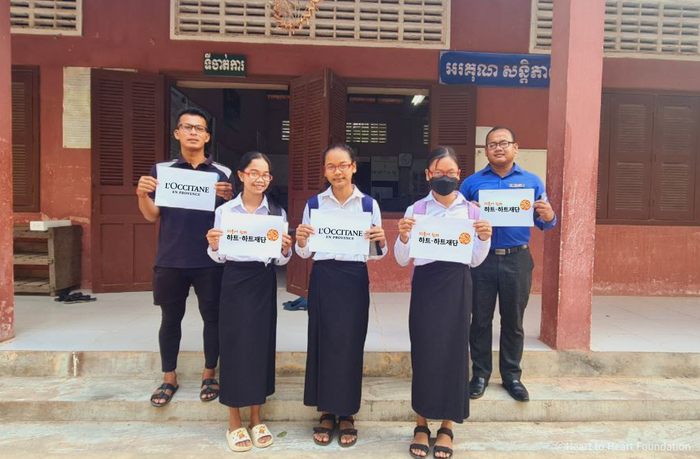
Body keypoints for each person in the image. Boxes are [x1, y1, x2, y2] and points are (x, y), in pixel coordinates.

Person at [395, 146, 492, 459]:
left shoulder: (472, 212)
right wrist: (404, 237)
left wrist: (485, 237)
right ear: (428, 175)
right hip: (426, 286)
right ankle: (421, 424)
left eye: (451, 172)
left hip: (457, 286)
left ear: (459, 175)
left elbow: (475, 260)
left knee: (454, 353)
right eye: (439, 172)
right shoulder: (416, 210)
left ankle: (447, 427)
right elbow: (401, 258)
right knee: (424, 352)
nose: (445, 177)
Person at [136, 107, 233, 407]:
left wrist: (229, 199)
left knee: (212, 318)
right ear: (177, 133)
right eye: (187, 127)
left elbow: (233, 217)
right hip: (170, 259)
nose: (193, 132)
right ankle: (169, 376)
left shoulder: (223, 174)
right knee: (170, 319)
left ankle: (209, 373)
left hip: (209, 261)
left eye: (199, 128)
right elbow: (152, 215)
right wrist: (141, 195)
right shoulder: (162, 171)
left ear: (207, 136)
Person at [295, 143, 387, 448]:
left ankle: (346, 413)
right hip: (324, 277)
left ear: (354, 167)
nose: (338, 172)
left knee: (350, 343)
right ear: (325, 171)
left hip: (354, 278)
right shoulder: (314, 204)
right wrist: (301, 240)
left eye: (343, 165)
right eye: (331, 167)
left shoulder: (368, 205)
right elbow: (305, 252)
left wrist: (379, 240)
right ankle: (325, 411)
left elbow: (376, 254)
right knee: (322, 342)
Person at [459, 126, 556, 402]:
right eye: (492, 144)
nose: (498, 148)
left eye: (504, 143)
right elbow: (458, 222)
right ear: (485, 151)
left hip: (518, 259)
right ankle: (480, 375)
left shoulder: (532, 182)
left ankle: (512, 376)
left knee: (513, 321)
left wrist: (549, 215)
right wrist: (470, 215)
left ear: (516, 147)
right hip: (482, 259)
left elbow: (544, 223)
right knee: (480, 319)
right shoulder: (471, 184)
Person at [206, 151, 292, 452]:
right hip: (234, 280)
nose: (260, 179)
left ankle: (256, 418)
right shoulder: (226, 211)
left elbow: (280, 260)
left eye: (265, 174)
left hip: (263, 281)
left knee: (260, 346)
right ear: (241, 175)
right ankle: (234, 421)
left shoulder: (276, 213)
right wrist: (213, 245)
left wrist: (285, 249)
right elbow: (218, 257)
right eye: (254, 173)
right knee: (233, 347)